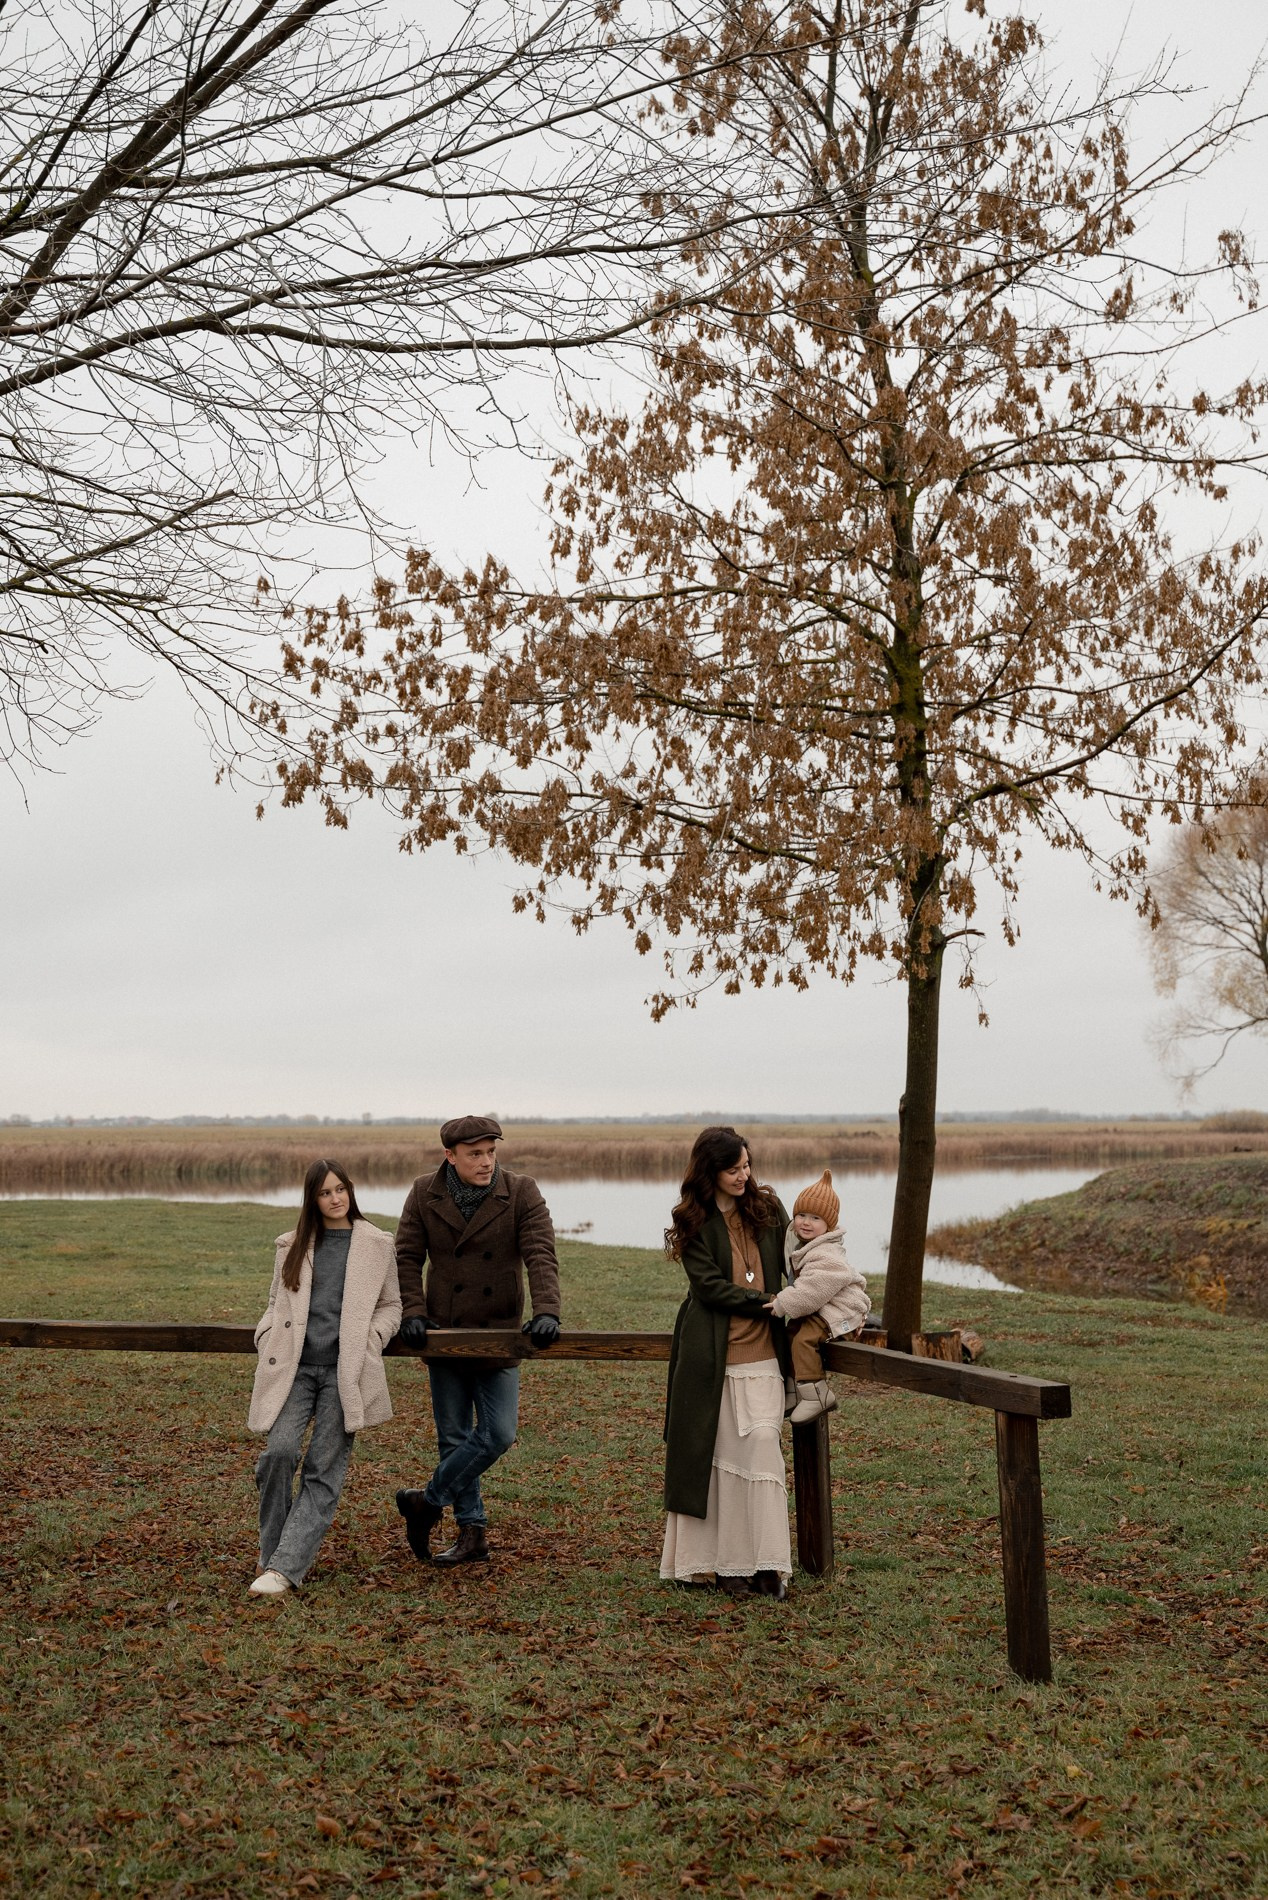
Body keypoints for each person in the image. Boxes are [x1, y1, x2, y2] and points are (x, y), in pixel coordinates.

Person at [392, 1115, 562, 1567]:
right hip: (443, 1331)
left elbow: (540, 1252)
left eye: (491, 1152)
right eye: (475, 1154)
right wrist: (414, 1312)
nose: (486, 1162)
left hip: (500, 1332)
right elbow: (406, 1257)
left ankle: (426, 1503)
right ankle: (473, 1535)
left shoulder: (521, 1190)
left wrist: (546, 1311)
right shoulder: (424, 1192)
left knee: (499, 1433)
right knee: (453, 1437)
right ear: (450, 1156)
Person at [247, 1159, 401, 1597]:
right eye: (325, 1192)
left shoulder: (376, 1244)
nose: (335, 1199)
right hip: (294, 1370)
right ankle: (273, 1550)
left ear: (350, 1191)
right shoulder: (292, 1244)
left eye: (341, 1189)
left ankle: (283, 1569)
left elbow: (392, 1305)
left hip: (343, 1372)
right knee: (278, 1454)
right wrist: (266, 1334)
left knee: (322, 1469)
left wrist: (372, 1336)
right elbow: (276, 1301)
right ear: (312, 1199)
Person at [659, 1125, 793, 1601]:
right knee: (715, 1463)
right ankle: (726, 1568)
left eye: (747, 1165)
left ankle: (767, 1566)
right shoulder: (693, 1219)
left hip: (763, 1360)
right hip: (711, 1359)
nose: (744, 1175)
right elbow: (708, 1288)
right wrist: (767, 1301)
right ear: (710, 1171)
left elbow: (800, 1262)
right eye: (733, 1168)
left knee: (761, 1451)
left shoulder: (768, 1209)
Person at [765, 1170, 869, 1423]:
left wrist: (783, 1303)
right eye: (801, 1215)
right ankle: (793, 1391)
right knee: (790, 1333)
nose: (806, 1222)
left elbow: (812, 1290)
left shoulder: (826, 1253)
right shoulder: (807, 1246)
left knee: (803, 1340)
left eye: (815, 1218)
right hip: (824, 1308)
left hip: (842, 1310)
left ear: (829, 1225)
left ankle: (817, 1395)